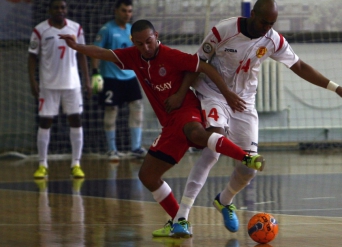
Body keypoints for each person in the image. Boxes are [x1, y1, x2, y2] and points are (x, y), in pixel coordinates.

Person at [154, 0, 342, 237]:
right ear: (252, 13)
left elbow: (299, 66)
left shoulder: (273, 40)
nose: (267, 27)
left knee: (249, 169)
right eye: (264, 21)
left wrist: (336, 88)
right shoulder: (224, 30)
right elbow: (197, 63)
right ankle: (182, 217)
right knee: (212, 148)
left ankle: (224, 200)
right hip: (214, 93)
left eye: (272, 23)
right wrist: (182, 93)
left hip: (244, 102)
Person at [58, 19, 265, 238]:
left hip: (187, 109)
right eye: (140, 44)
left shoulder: (170, 55)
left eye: (149, 41)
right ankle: (179, 221)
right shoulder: (132, 56)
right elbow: (103, 53)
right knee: (148, 175)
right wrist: (77, 47)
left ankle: (246, 158)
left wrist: (221, 93)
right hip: (169, 123)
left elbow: (202, 66)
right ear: (133, 42)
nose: (145, 48)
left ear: (156, 35)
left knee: (196, 133)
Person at [28, 0, 91, 179]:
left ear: (66, 9)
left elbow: (82, 55)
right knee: (45, 122)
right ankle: (42, 164)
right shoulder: (40, 30)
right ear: (50, 10)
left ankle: (76, 164)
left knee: (76, 120)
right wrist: (33, 81)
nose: (60, 10)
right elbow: (32, 56)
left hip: (72, 84)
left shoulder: (76, 28)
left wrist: (87, 80)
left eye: (63, 7)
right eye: (56, 8)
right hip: (48, 85)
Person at [91, 0, 146, 161]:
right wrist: (95, 73)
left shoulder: (132, 30)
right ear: (116, 11)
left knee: (137, 110)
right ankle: (111, 149)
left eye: (130, 11)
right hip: (110, 78)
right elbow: (96, 51)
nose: (127, 14)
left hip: (130, 77)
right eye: (124, 11)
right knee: (111, 111)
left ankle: (136, 147)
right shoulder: (107, 29)